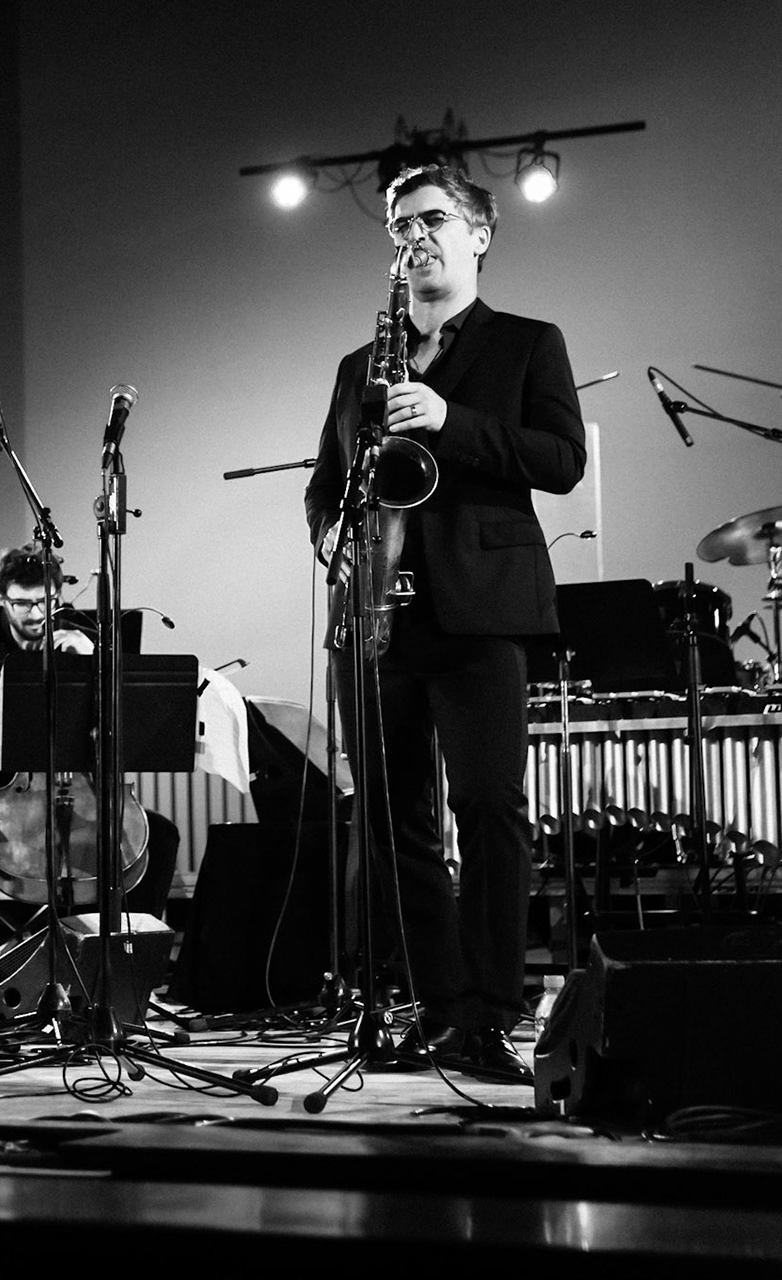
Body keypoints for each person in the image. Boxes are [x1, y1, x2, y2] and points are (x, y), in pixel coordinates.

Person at [303, 165, 586, 1082]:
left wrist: (450, 419)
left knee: (489, 813)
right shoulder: (359, 366)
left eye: (432, 220)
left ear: (479, 235)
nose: (413, 237)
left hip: (481, 615)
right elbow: (321, 490)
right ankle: (439, 1004)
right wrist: (333, 540)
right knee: (392, 825)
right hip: (378, 620)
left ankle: (496, 1012)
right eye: (399, 225)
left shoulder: (528, 343)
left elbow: (561, 460)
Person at [0, 543, 178, 963]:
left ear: (58, 597)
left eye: (45, 602)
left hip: (78, 785)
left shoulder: (90, 633)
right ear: (2, 600)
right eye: (22, 604)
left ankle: (128, 966)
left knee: (162, 834)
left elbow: (124, 719)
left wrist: (92, 660)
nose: (35, 614)